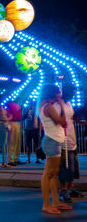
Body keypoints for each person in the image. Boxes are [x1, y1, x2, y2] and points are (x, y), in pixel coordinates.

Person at [38, 84, 72, 214]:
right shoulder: (49, 107)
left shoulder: (44, 105)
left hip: (54, 140)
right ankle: (46, 204)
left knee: (53, 174)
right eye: (58, 92)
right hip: (52, 141)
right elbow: (63, 122)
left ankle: (56, 201)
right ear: (53, 93)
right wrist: (62, 105)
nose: (60, 94)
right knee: (48, 174)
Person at [58, 87, 84, 202]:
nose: (74, 94)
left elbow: (72, 117)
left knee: (73, 167)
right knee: (65, 167)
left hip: (72, 138)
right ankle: (63, 189)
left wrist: (80, 122)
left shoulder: (68, 103)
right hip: (63, 139)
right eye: (72, 92)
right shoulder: (59, 105)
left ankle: (70, 187)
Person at [7, 102, 24, 166]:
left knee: (17, 142)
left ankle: (15, 159)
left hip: (17, 122)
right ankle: (10, 160)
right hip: (13, 123)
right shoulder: (11, 104)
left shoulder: (17, 104)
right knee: (12, 142)